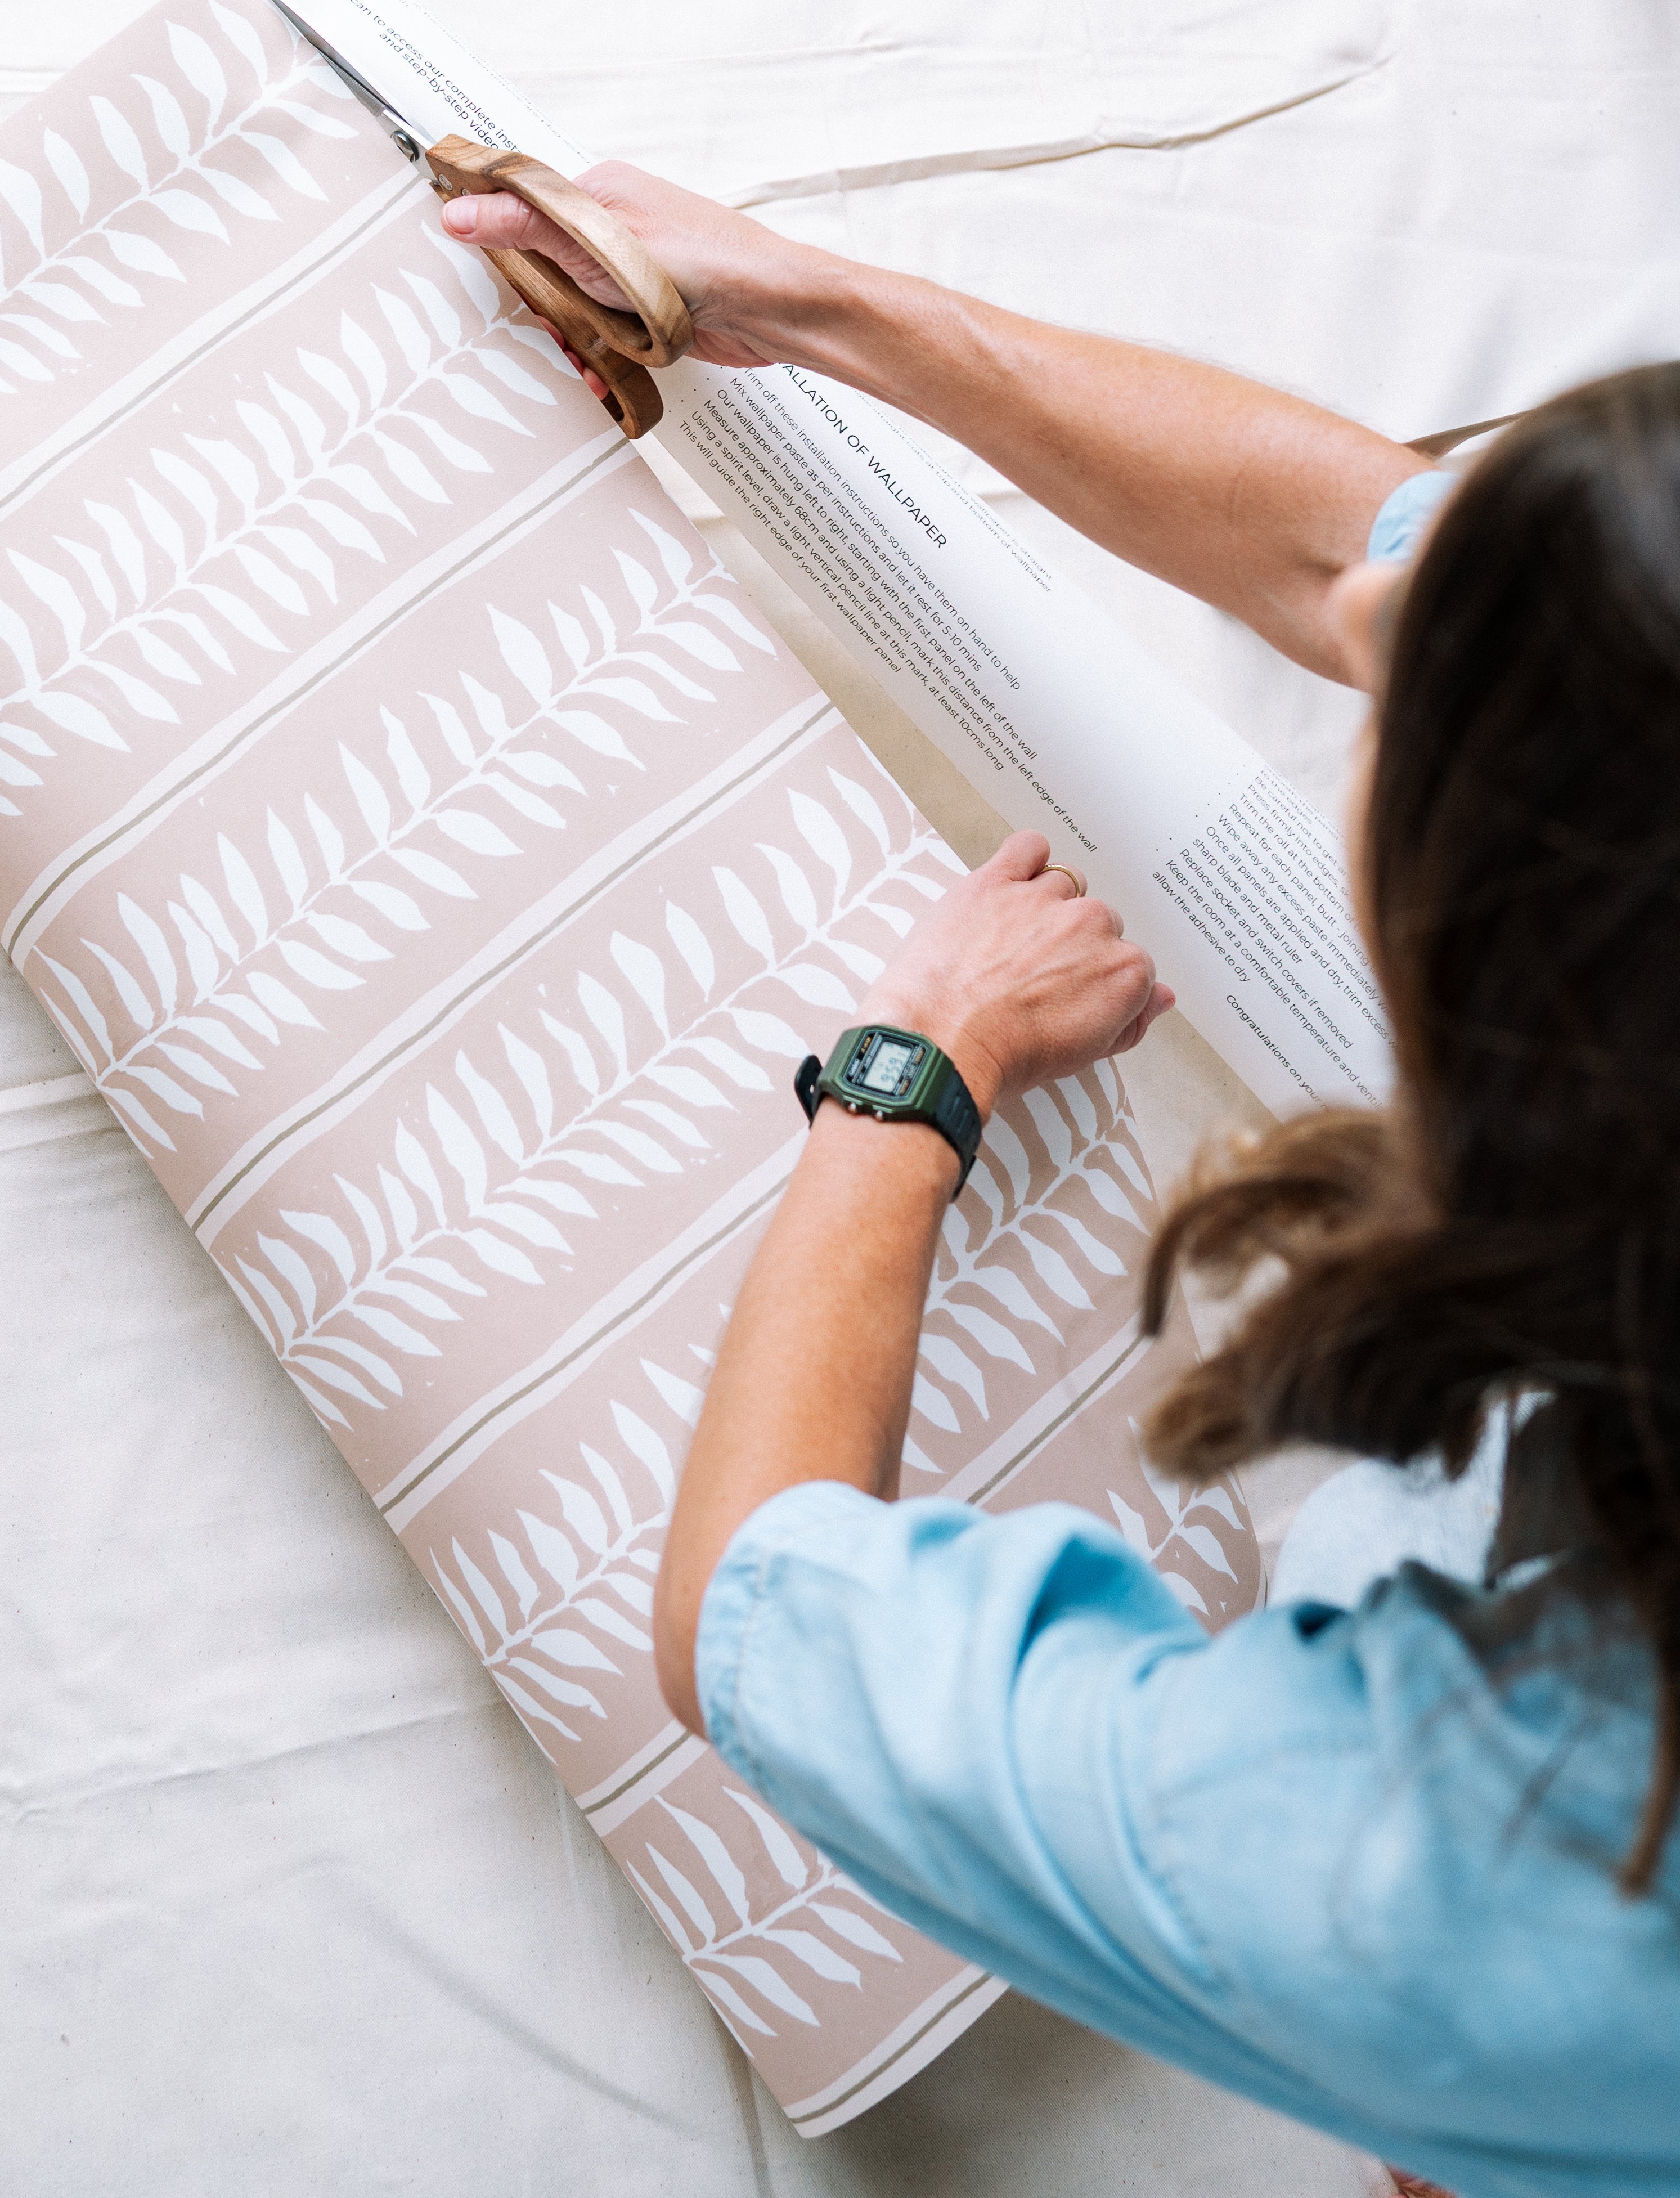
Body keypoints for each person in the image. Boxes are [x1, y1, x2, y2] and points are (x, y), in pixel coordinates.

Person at [439, 164, 1680, 2198]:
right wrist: (822, 309)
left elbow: (752, 1605)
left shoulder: (1419, 1854)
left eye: (1396, 698)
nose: (1356, 624)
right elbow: (1351, 548)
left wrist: (916, 1069)